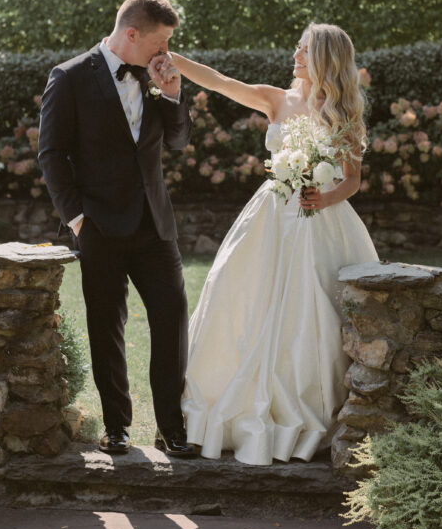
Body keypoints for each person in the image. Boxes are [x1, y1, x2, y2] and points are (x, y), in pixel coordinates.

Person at [155, 23, 378, 466]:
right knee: (240, 297)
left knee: (313, 311)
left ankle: (310, 410)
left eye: (304, 50)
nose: (295, 54)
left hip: (321, 225)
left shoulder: (343, 112)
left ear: (325, 59)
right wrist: (172, 59)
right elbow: (221, 82)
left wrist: (325, 196)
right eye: (296, 46)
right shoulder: (276, 99)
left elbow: (352, 179)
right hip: (271, 217)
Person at [38, 0, 198, 458]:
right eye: (161, 41)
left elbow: (179, 142)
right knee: (106, 324)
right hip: (100, 226)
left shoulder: (159, 75)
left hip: (154, 223)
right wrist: (78, 219)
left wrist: (172, 96)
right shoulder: (68, 78)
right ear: (132, 34)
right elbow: (51, 154)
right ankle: (116, 427)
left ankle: (171, 427)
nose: (166, 53)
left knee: (172, 319)